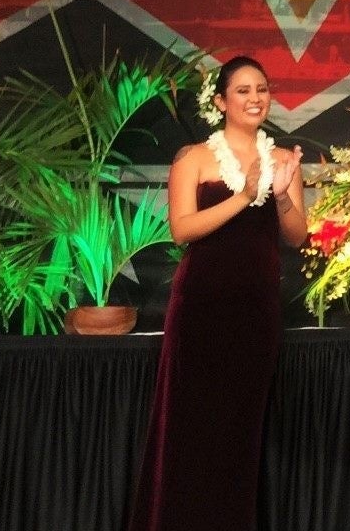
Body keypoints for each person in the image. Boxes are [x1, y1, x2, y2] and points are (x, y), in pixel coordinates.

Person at [127, 55, 307, 531]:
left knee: (239, 430)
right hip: (201, 308)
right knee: (192, 427)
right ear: (222, 101)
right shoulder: (193, 158)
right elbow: (182, 230)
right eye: (243, 90)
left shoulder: (283, 160)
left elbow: (296, 236)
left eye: (262, 89)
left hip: (256, 309)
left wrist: (280, 195)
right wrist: (244, 196)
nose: (255, 98)